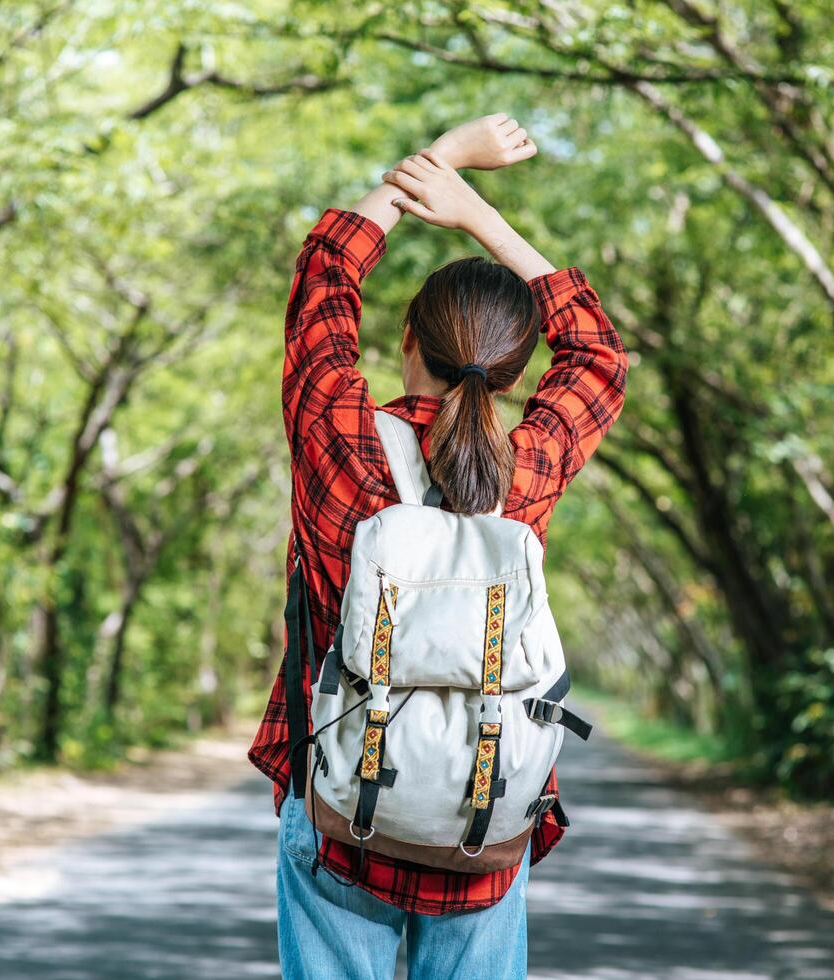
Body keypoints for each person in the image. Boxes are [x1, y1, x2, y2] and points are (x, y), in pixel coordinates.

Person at [248, 114, 628, 979]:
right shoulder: (525, 468)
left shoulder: (341, 439)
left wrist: (434, 163)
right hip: (482, 814)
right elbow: (599, 353)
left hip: (342, 795)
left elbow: (322, 280)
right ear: (516, 369)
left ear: (406, 341)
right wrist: (478, 216)